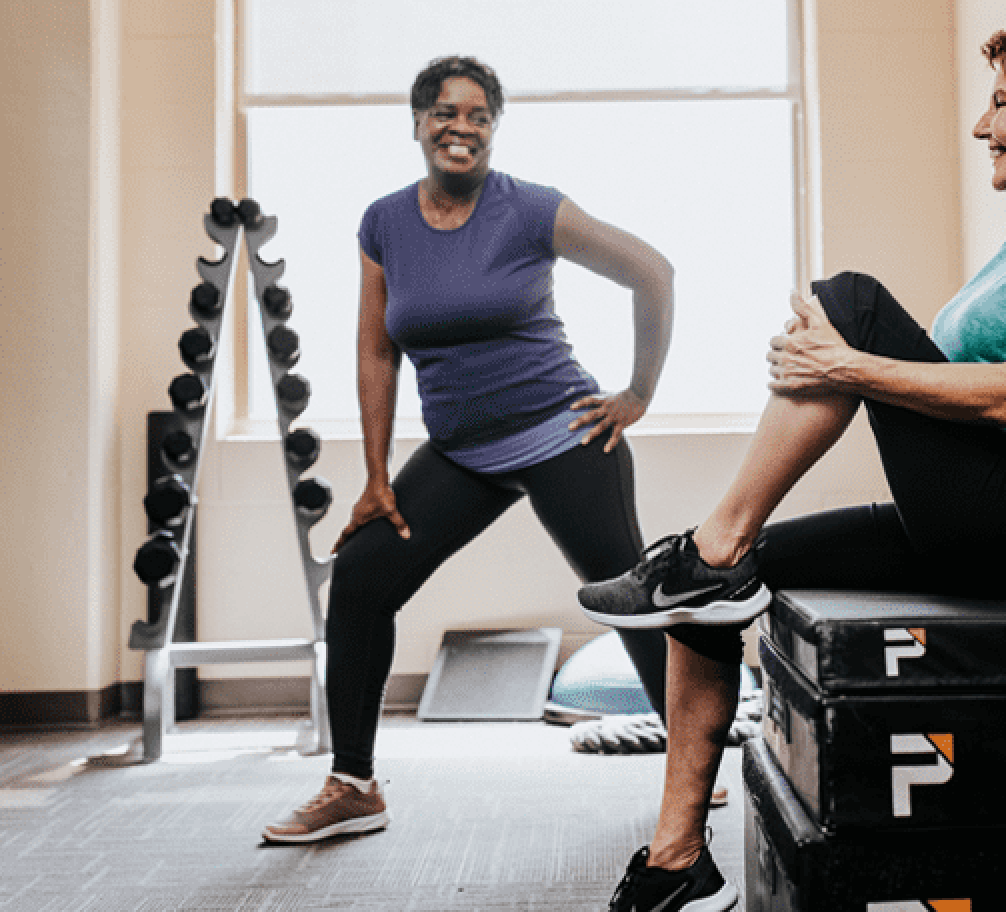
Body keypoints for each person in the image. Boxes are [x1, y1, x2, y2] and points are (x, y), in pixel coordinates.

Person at [579, 9, 1006, 911]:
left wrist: (844, 361)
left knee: (847, 300)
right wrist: (844, 365)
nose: (982, 125)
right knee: (718, 596)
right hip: (978, 504)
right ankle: (675, 859)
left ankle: (713, 547)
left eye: (1002, 102)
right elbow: (948, 390)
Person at [261, 55, 690, 844]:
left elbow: (651, 272)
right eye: (445, 113)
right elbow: (376, 352)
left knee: (623, 592)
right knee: (359, 576)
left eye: (479, 115)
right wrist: (376, 476)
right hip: (460, 448)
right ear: (420, 122)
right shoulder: (384, 222)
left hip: (562, 431)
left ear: (494, 127)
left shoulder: (530, 209)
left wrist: (638, 393)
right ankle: (353, 784)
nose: (462, 127)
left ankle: (689, 773)